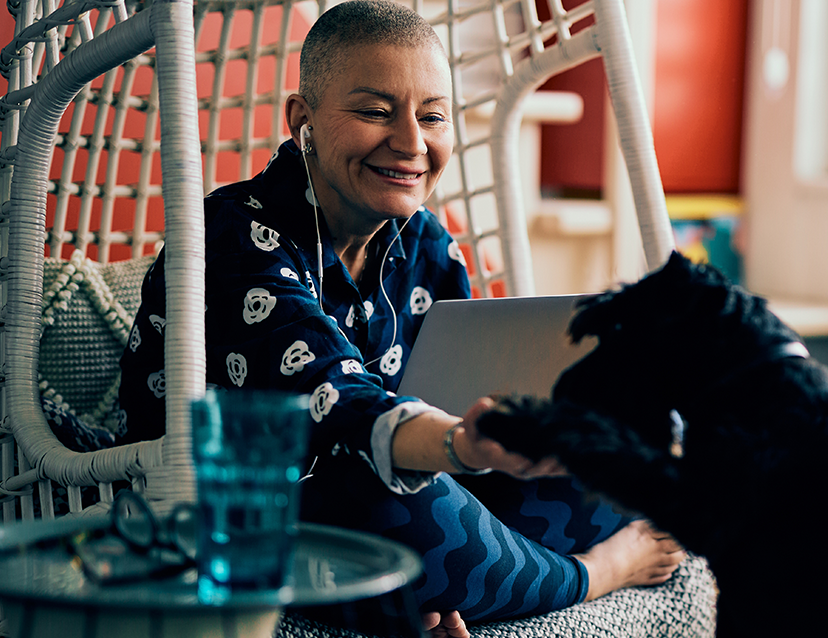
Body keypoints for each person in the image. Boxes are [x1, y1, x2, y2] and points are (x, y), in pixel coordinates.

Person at [115, 1, 683, 635]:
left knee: (631, 449)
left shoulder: (427, 243)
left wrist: (524, 426)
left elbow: (459, 383)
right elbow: (341, 401)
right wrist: (460, 447)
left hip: (407, 473)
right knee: (406, 506)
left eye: (433, 116)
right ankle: (591, 573)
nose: (413, 143)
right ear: (302, 121)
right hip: (234, 514)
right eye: (374, 111)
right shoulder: (230, 239)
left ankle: (476, 578)